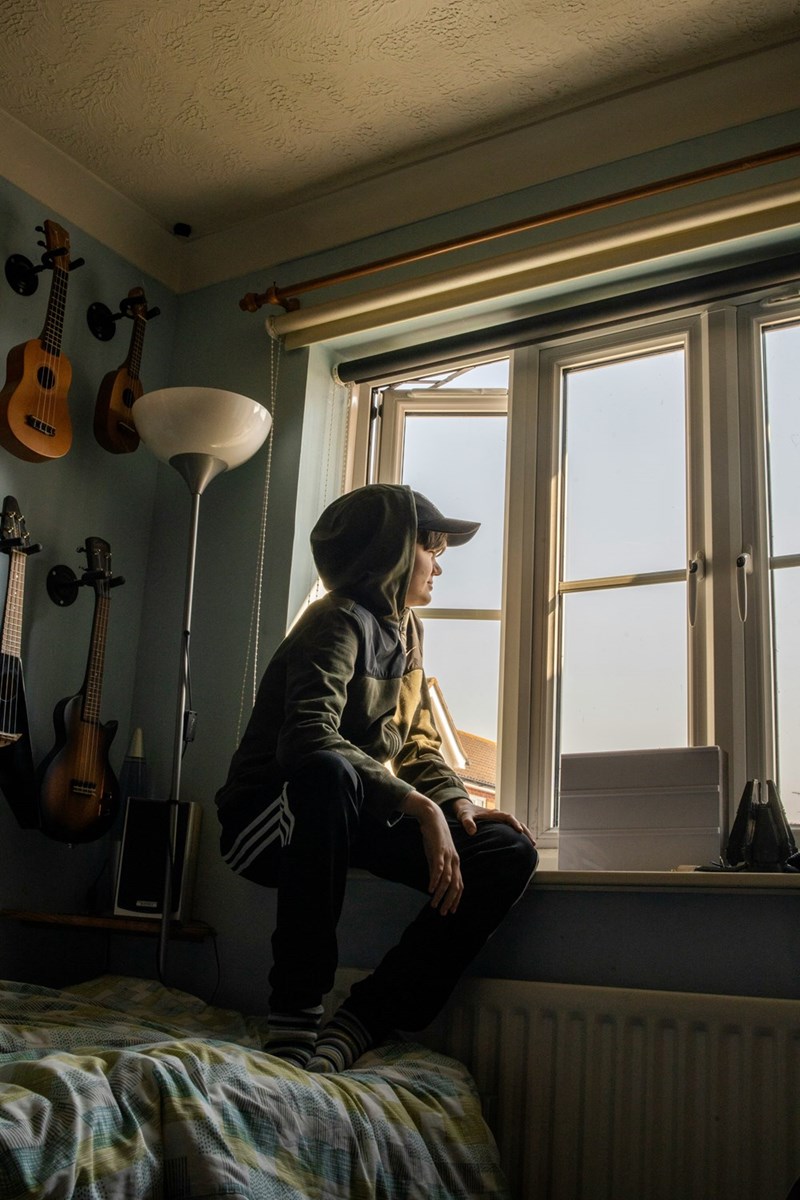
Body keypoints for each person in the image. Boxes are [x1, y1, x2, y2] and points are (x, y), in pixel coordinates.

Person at [216, 483, 537, 1072]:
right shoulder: (335, 620)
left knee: (506, 850)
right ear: (390, 550)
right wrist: (419, 807)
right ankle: (294, 1017)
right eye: (430, 547)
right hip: (265, 818)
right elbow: (307, 736)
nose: (439, 564)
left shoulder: (408, 632)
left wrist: (456, 804)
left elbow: (415, 740)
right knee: (328, 771)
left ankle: (364, 1017)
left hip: (342, 807)